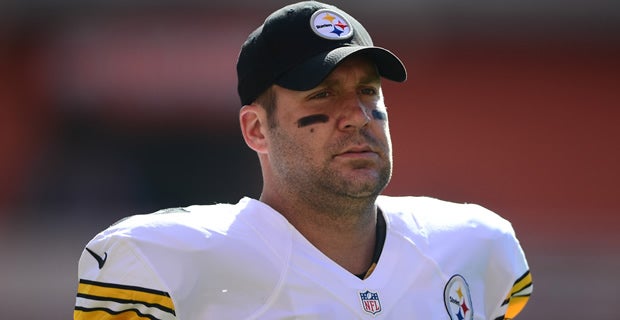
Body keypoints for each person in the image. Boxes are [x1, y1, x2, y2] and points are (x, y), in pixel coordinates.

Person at [74, 1, 532, 319]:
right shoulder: (164, 262)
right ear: (256, 130)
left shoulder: (473, 245)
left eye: (368, 92)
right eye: (324, 94)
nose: (356, 116)